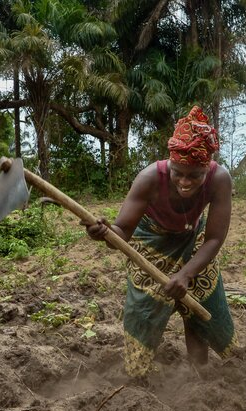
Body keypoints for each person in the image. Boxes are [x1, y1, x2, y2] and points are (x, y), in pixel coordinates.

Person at [86, 105, 236, 378]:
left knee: (199, 303)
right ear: (170, 163)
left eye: (195, 175)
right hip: (150, 241)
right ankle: (138, 377)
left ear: (207, 168)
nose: (185, 182)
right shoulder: (150, 178)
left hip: (194, 241)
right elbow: (122, 233)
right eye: (179, 172)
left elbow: (214, 238)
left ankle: (199, 371)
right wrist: (105, 233)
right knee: (143, 310)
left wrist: (186, 274)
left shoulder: (220, 179)